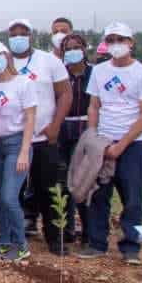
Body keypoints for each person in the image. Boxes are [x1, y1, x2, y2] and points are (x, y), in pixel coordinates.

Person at [80, 23, 142, 264]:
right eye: (111, 39)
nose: (116, 44)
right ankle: (97, 243)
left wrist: (120, 146)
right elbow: (94, 105)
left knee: (132, 197)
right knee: (98, 195)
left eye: (120, 39)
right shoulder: (100, 71)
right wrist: (94, 137)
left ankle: (130, 246)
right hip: (102, 140)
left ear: (131, 42)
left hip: (132, 145)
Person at [7, 18, 70, 249]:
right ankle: (13, 236)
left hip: (44, 138)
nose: (18, 37)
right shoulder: (2, 62)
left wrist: (55, 126)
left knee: (49, 189)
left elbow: (65, 94)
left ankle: (55, 238)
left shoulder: (49, 61)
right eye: (13, 34)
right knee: (13, 191)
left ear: (31, 36)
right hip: (12, 140)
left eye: (23, 33)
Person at [0, 41, 37, 262]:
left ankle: (21, 244)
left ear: (7, 56)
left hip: (16, 144)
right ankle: (3, 242)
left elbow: (31, 117)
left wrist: (24, 151)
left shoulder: (23, 83)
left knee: (9, 196)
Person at [56, 32, 93, 247]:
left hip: (85, 130)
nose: (72, 51)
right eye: (67, 48)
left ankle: (89, 230)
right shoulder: (60, 74)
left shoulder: (93, 73)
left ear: (84, 48)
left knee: (83, 182)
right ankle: (66, 228)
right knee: (63, 182)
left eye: (76, 46)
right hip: (62, 130)